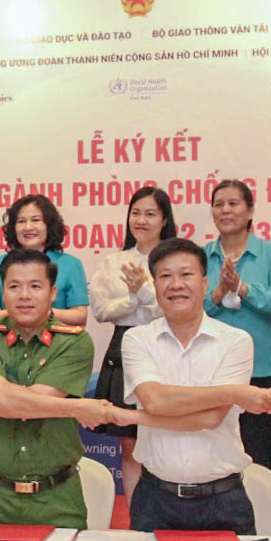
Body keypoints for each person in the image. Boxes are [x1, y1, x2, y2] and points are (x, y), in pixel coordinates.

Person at [115, 238, 271, 534]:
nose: (176, 284)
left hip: (224, 502)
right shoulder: (137, 339)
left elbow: (211, 418)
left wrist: (136, 417)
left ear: (205, 283)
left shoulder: (236, 341)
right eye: (165, 276)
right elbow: (154, 401)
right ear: (154, 285)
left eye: (186, 275)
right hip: (154, 500)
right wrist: (233, 393)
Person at [0, 249, 117, 528]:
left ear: (53, 293)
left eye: (35, 286)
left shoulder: (75, 342)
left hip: (57, 498)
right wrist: (76, 407)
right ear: (2, 293)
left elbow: (21, 406)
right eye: (14, 286)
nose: (24, 296)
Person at [89, 185, 176, 498]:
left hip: (166, 346)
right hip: (124, 344)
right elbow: (101, 311)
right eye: (136, 213)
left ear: (164, 220)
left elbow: (172, 310)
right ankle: (137, 517)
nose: (141, 220)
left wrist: (143, 291)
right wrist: (133, 298)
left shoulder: (174, 261)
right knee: (130, 444)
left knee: (163, 438)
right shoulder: (113, 262)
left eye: (150, 214)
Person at [202, 180, 271, 471]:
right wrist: (218, 294)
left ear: (250, 210)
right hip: (210, 369)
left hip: (261, 368)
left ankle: (261, 515)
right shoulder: (201, 256)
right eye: (219, 204)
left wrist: (243, 288)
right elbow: (187, 308)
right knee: (212, 452)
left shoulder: (270, 253)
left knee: (259, 455)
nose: (225, 210)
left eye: (233, 203)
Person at [0, 194, 88, 326]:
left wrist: (44, 312)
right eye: (21, 221)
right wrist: (17, 312)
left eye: (35, 220)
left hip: (58, 343)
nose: (28, 227)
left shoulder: (70, 264)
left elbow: (80, 316)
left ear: (49, 225)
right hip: (10, 342)